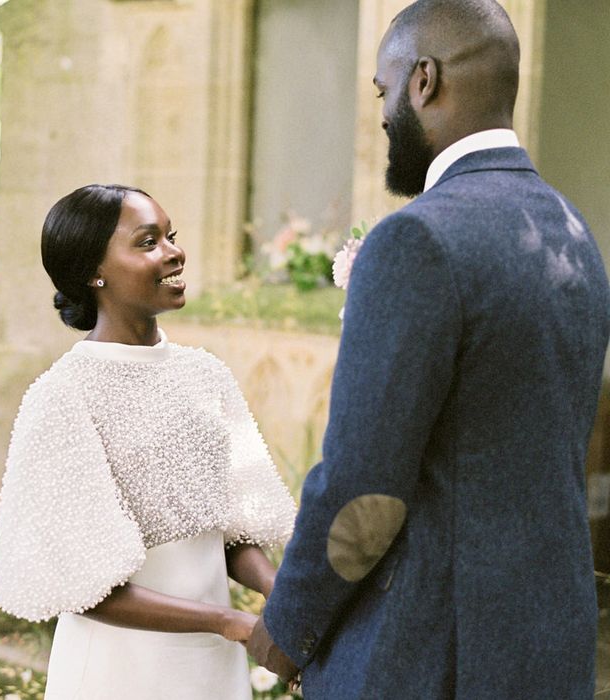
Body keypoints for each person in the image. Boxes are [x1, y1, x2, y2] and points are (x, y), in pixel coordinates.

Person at [247, 1, 610, 698]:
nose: (381, 116)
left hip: (430, 653)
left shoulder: (416, 240)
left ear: (424, 80)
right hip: (548, 646)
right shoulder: (571, 231)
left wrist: (289, 626)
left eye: (383, 91)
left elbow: (364, 488)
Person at [0, 184, 297, 699]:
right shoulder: (63, 397)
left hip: (212, 663)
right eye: (147, 241)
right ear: (93, 272)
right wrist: (228, 622)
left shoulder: (206, 375)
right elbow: (82, 585)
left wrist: (279, 593)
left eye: (170, 237)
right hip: (119, 668)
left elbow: (230, 531)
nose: (174, 252)